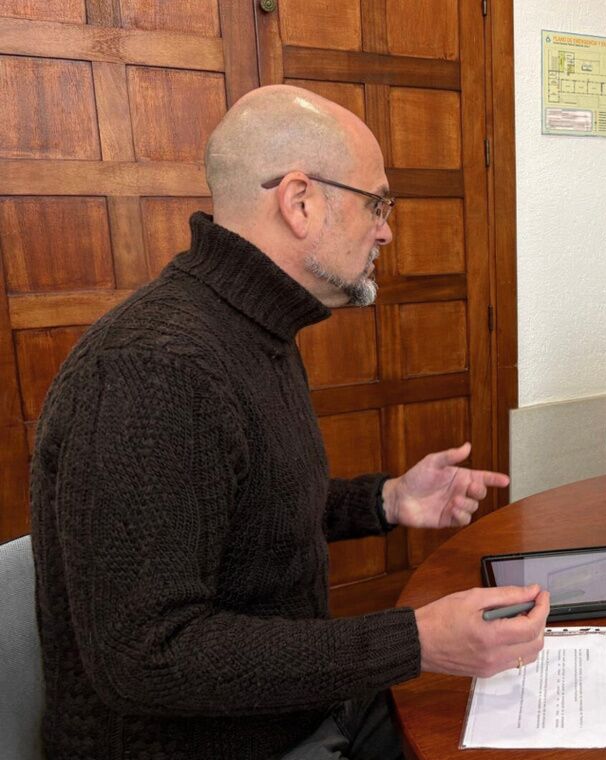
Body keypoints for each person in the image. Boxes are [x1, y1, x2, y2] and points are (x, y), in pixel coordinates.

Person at [30, 84, 550, 760]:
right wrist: (414, 641)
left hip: (287, 714)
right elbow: (147, 656)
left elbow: (243, 510)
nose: (386, 228)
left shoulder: (248, 330)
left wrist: (384, 499)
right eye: (377, 203)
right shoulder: (156, 366)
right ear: (300, 201)